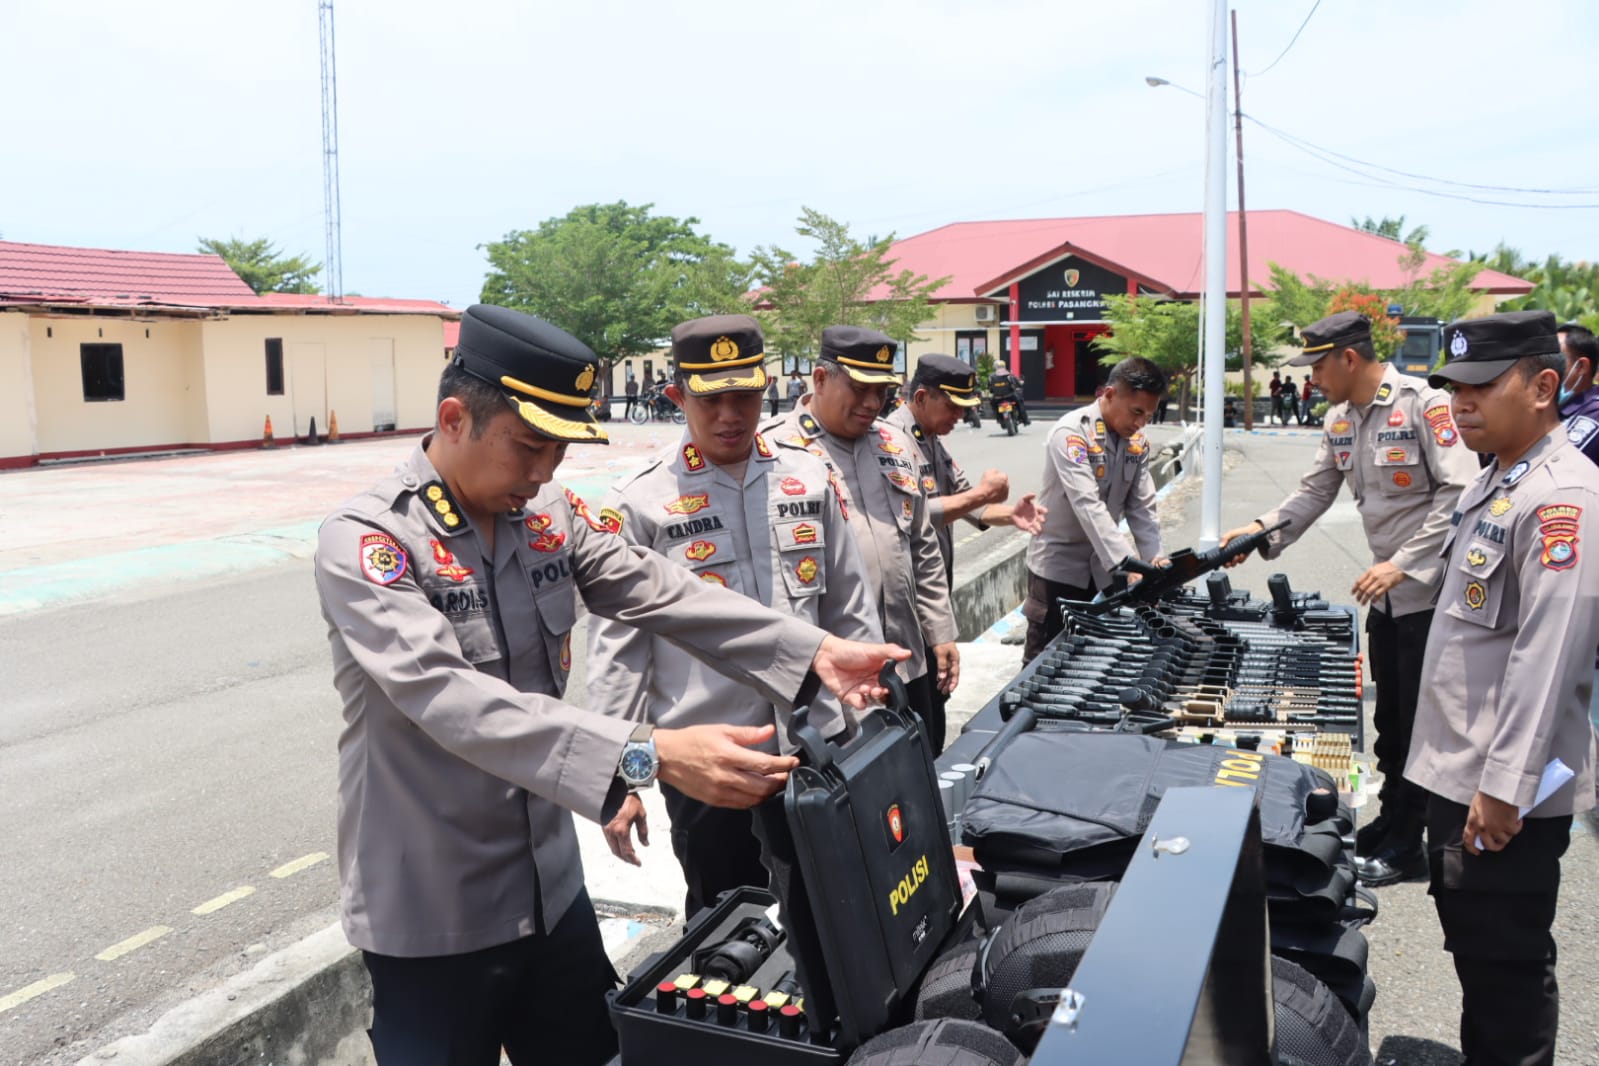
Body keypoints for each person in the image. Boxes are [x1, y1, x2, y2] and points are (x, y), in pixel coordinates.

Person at [313, 304, 908, 1066]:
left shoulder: (546, 514)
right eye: (529, 446)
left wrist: (811, 649)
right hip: (434, 904)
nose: (544, 471)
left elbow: (660, 588)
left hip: (550, 888)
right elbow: (447, 698)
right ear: (455, 418)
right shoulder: (371, 542)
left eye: (559, 448)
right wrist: (645, 756)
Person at [587, 314, 881, 916]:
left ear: (765, 388)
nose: (730, 414)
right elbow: (618, 653)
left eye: (743, 395)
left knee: (835, 911)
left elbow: (849, 603)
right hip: (708, 761)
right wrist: (621, 775)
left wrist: (869, 718)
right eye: (710, 398)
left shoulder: (807, 476)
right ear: (677, 396)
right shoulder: (641, 502)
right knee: (727, 927)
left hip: (815, 741)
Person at [1220, 310, 1479, 887]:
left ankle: (1414, 844)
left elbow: (1460, 494)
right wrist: (1259, 530)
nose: (1311, 378)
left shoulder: (1422, 404)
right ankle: (1394, 824)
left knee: (1422, 724)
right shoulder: (1341, 420)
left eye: (1316, 365)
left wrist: (1402, 564)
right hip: (1389, 599)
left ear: (1349, 358)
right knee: (1390, 719)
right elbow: (1314, 491)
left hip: (1433, 596)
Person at [1402, 310, 1599, 1066]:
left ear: (1543, 385)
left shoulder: (1562, 499)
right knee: (1478, 956)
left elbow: (1548, 655)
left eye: (1482, 386)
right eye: (1453, 387)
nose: (1461, 404)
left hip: (1500, 789)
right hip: (1463, 771)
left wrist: (1506, 789)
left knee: (1506, 971)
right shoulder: (1497, 478)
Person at [762, 326, 959, 751]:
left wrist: (940, 631)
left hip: (906, 661)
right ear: (819, 378)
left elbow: (922, 544)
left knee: (921, 774)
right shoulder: (773, 452)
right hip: (832, 680)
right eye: (859, 388)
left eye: (883, 391)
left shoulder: (896, 442)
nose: (873, 403)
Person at [883, 353, 1048, 751]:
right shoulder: (889, 441)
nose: (960, 416)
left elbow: (967, 503)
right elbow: (917, 513)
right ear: (921, 397)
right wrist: (980, 494)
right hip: (902, 610)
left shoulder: (933, 441)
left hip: (933, 603)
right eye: (953, 406)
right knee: (911, 724)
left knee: (934, 718)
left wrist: (1010, 514)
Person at [1023, 357, 1169, 663]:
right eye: (1136, 412)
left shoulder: (1137, 444)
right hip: (1059, 569)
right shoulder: (1072, 435)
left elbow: (1142, 507)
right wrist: (1128, 564)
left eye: (1149, 415)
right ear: (1110, 395)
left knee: (1091, 661)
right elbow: (1087, 504)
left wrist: (1155, 560)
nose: (1141, 422)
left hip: (1104, 571)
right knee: (1043, 664)